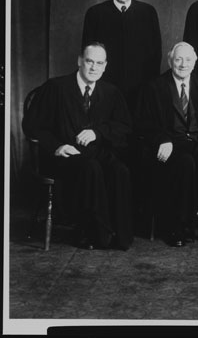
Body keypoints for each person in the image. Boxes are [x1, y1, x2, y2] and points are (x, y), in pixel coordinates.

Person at [22, 43, 133, 250]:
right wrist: (57, 146)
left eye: (99, 63)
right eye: (89, 61)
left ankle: (119, 235)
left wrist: (98, 132)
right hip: (62, 156)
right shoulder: (56, 87)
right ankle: (93, 233)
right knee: (90, 167)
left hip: (95, 152)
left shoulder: (111, 92)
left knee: (120, 170)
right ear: (80, 61)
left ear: (105, 66)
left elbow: (123, 126)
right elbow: (32, 125)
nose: (94, 67)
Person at [135, 42, 198, 247]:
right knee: (185, 162)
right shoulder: (154, 87)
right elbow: (144, 123)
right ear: (170, 61)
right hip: (172, 143)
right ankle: (178, 227)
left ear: (195, 62)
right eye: (178, 59)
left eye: (188, 60)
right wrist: (161, 139)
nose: (183, 64)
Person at [81, 0, 162, 109]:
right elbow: (87, 53)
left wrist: (150, 86)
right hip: (105, 87)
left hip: (140, 87)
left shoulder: (148, 12)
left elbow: (155, 53)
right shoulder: (95, 13)